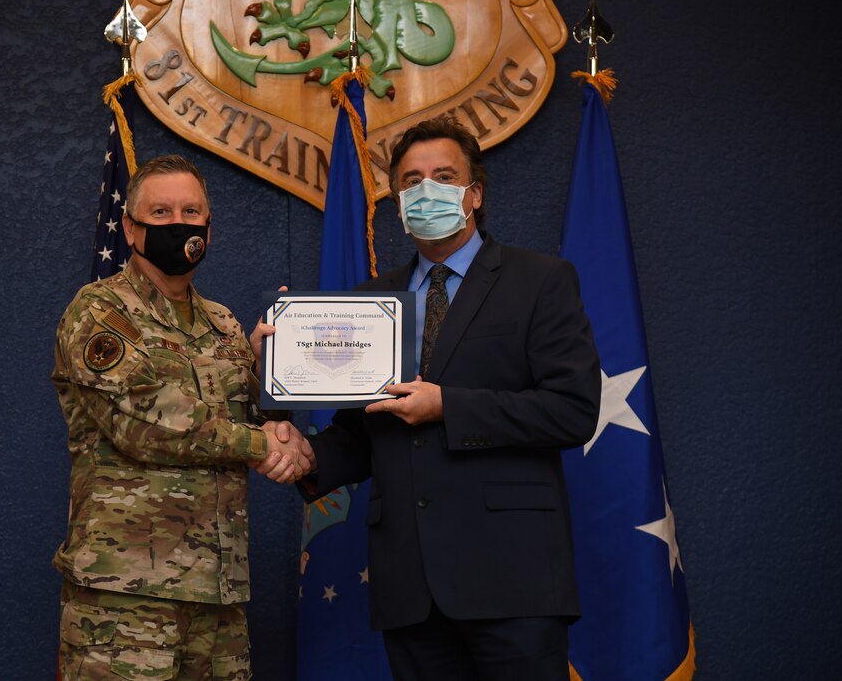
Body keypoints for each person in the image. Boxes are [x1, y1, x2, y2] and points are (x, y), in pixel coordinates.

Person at [261, 115, 601, 680]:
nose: (426, 191)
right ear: (397, 200)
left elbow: (572, 410)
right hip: (409, 583)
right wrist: (308, 454)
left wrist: (448, 406)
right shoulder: (370, 300)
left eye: (443, 176)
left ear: (474, 193)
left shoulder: (539, 280)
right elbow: (361, 432)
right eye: (411, 181)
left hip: (512, 580)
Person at [51, 154, 311, 680]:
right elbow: (147, 424)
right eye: (161, 212)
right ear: (129, 226)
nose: (178, 224)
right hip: (125, 595)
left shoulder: (223, 323)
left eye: (191, 212)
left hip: (219, 592)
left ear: (208, 228)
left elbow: (245, 415)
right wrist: (267, 449)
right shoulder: (100, 311)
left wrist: (276, 380)